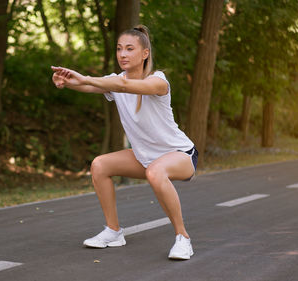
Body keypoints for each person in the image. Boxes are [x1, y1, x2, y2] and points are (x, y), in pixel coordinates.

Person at [50, 25, 198, 260]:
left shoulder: (158, 81)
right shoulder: (115, 80)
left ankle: (183, 238)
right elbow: (90, 86)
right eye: (119, 49)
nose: (123, 54)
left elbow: (123, 86)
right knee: (100, 165)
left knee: (156, 172)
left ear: (145, 53)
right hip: (144, 157)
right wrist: (66, 81)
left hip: (180, 154)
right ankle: (113, 231)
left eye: (130, 49)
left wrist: (85, 78)